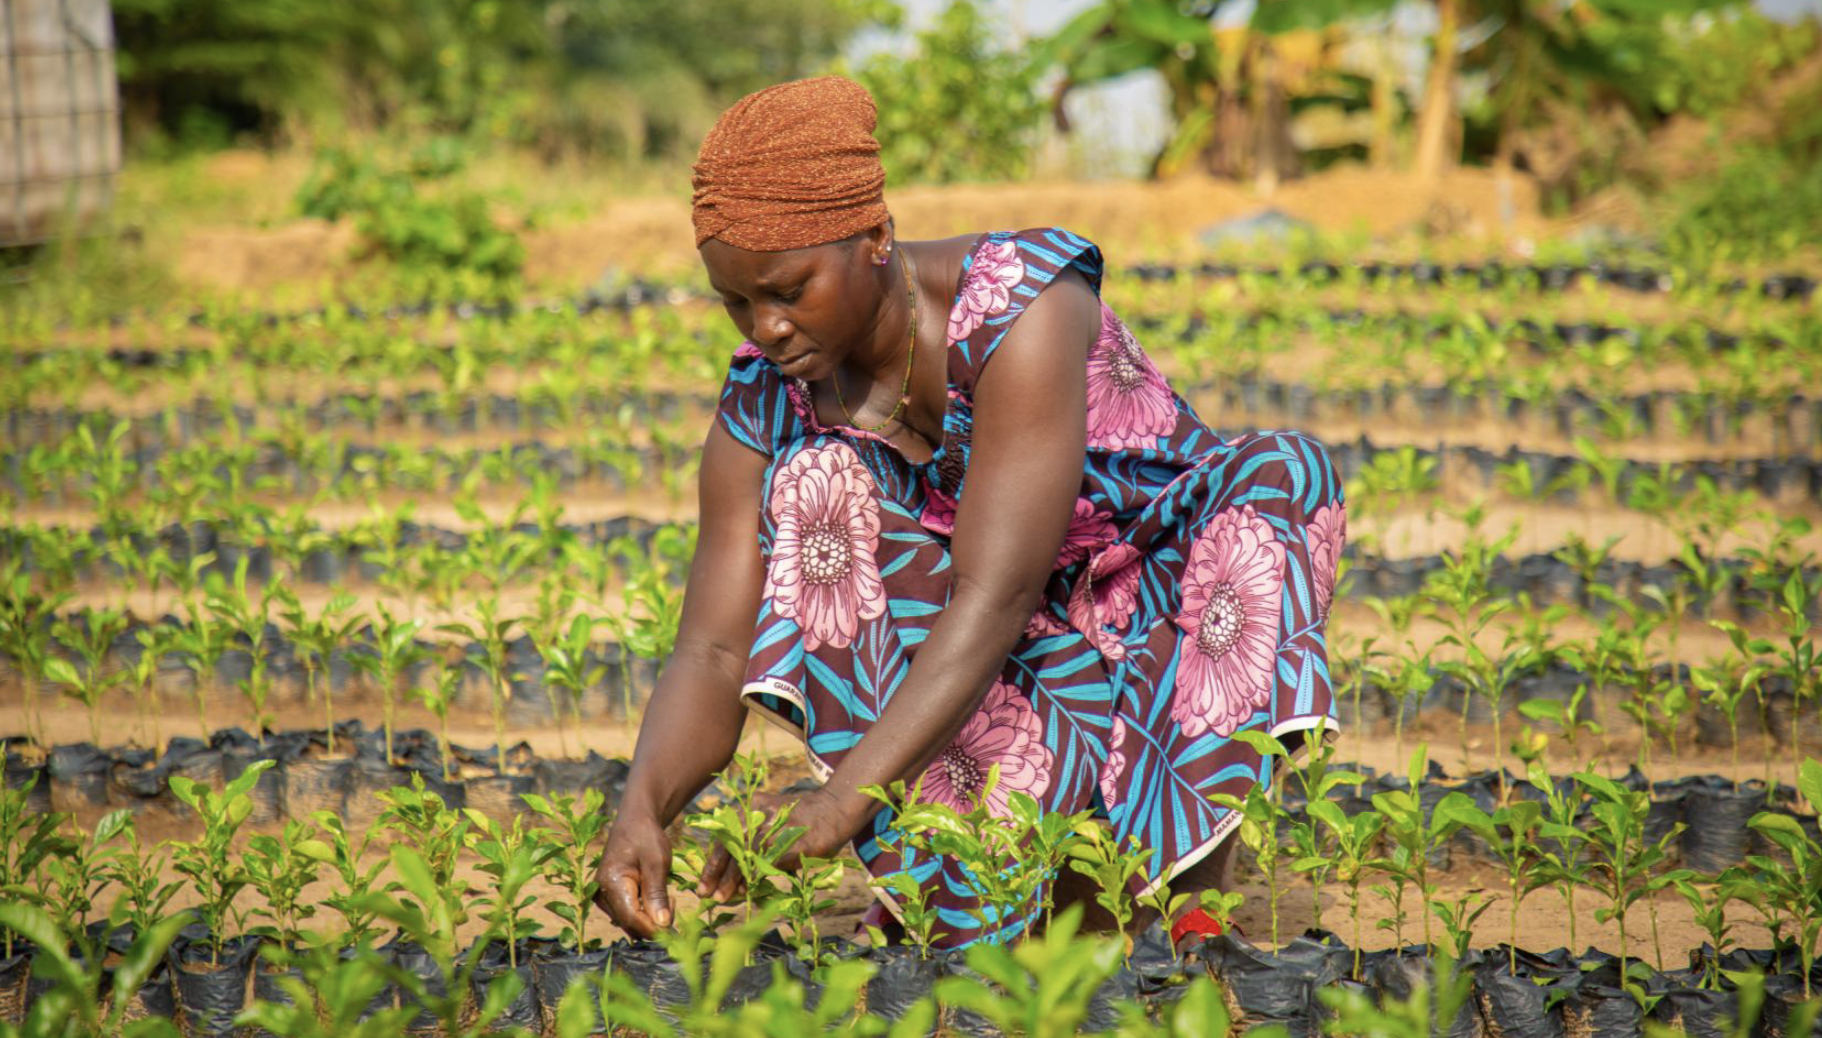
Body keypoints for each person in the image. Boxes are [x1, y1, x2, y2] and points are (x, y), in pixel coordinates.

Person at [594, 75, 1346, 949]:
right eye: (736, 301)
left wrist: (841, 803)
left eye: (789, 289)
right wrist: (643, 809)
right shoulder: (767, 396)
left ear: (876, 237)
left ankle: (1185, 893)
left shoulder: (1019, 308)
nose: (765, 327)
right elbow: (713, 647)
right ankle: (956, 876)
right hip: (1000, 647)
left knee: (1283, 474)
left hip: (1153, 597)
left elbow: (998, 592)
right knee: (818, 488)